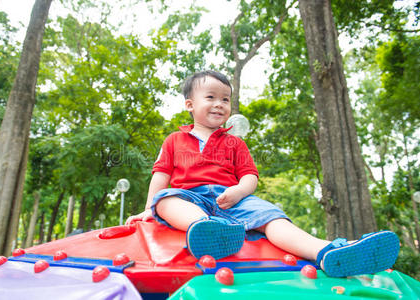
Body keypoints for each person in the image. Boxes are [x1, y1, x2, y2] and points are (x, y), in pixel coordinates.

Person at [126, 70, 399, 277]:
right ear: (190, 105)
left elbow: (249, 176)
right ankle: (207, 229)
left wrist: (240, 191)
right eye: (210, 97)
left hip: (232, 198)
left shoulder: (235, 143)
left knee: (271, 216)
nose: (220, 104)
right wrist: (150, 208)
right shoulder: (174, 139)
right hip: (190, 198)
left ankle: (326, 251)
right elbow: (161, 175)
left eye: (225, 99)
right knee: (166, 199)